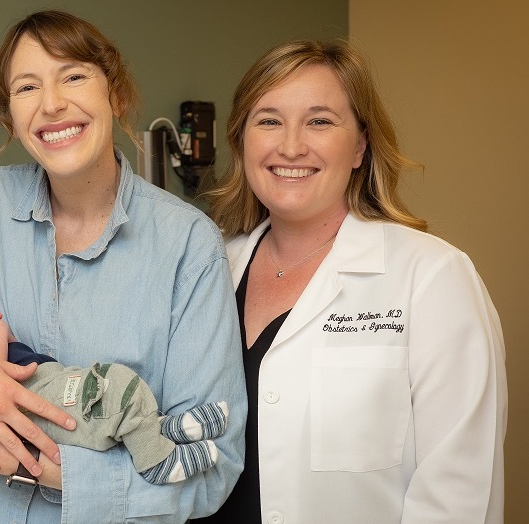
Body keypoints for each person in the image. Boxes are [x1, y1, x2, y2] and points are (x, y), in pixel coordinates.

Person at [0, 10, 246, 523]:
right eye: (26, 87)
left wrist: (44, 467)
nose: (52, 104)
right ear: (9, 117)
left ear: (117, 94)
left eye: (75, 76)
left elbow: (213, 469)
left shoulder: (187, 243)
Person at [196, 39, 507, 523]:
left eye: (320, 121)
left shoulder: (431, 278)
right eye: (269, 120)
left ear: (360, 145)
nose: (291, 145)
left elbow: (459, 493)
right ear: (241, 141)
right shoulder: (206, 268)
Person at [0, 275, 231, 484]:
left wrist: (6, 338)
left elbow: (20, 360)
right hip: (42, 409)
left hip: (51, 385)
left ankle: (168, 429)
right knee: (117, 387)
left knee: (113, 406)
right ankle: (156, 461)